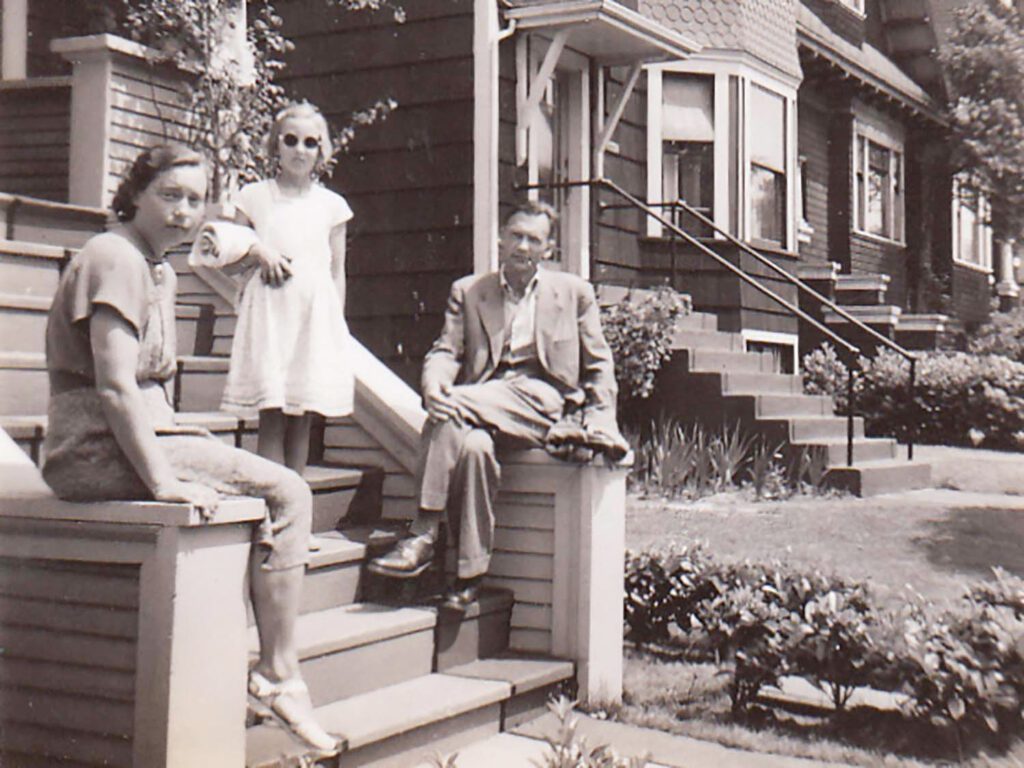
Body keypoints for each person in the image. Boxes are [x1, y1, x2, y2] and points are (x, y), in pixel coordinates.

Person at [40, 144, 338, 756]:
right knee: (288, 490)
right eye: (169, 196)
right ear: (135, 195)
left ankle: (267, 671)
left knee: (263, 488)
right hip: (94, 442)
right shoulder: (113, 258)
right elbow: (116, 386)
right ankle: (280, 676)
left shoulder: (156, 268)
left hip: (139, 431)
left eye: (195, 200)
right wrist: (162, 481)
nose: (183, 212)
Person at [368, 200, 628, 610]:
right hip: (484, 404)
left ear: (549, 248)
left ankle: (422, 533)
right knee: (472, 448)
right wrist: (434, 385)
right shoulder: (470, 291)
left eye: (534, 239)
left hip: (541, 398)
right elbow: (445, 351)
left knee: (458, 405)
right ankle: (469, 576)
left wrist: (600, 421)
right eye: (517, 236)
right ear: (501, 239)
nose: (523, 246)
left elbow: (599, 366)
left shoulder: (574, 293)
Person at [219, 101, 353, 480]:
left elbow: (337, 272)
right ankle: (268, 513)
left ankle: (293, 512)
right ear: (275, 145)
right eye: (290, 140)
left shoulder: (332, 206)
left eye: (310, 142)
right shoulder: (254, 197)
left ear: (321, 151)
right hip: (271, 314)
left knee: (303, 415)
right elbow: (228, 259)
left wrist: (335, 329)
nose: (299, 150)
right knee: (273, 413)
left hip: (313, 317)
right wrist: (259, 252)